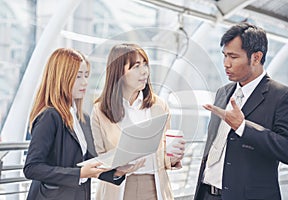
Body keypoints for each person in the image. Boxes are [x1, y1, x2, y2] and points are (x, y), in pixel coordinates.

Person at [194, 23, 288, 200]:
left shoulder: (283, 97)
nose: (226, 63)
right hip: (207, 194)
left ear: (256, 57)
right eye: (225, 56)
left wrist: (243, 127)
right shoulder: (223, 92)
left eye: (233, 57)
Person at [23, 48, 141, 200]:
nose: (85, 82)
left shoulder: (81, 117)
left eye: (86, 75)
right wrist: (79, 174)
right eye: (78, 76)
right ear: (61, 77)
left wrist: (117, 172)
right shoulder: (50, 116)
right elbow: (32, 168)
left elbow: (90, 162)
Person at [91, 43, 186, 200]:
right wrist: (119, 166)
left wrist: (173, 157)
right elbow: (97, 158)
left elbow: (164, 155)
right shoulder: (100, 111)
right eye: (136, 66)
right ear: (118, 71)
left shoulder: (159, 106)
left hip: (154, 187)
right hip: (118, 189)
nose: (144, 71)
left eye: (145, 64)